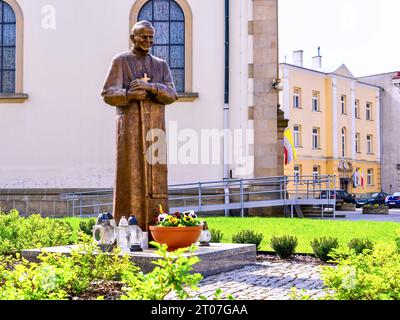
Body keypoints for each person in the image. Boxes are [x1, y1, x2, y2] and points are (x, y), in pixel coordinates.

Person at [101, 20, 178, 230]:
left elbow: (172, 94)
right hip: (130, 128)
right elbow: (107, 93)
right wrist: (128, 94)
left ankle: (157, 227)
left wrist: (151, 87)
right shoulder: (121, 61)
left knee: (157, 176)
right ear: (132, 38)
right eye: (143, 37)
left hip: (155, 128)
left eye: (151, 37)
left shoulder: (160, 65)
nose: (148, 41)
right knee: (130, 173)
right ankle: (128, 227)